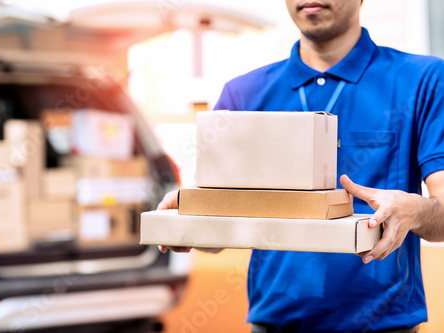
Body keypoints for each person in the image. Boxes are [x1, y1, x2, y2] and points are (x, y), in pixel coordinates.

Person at [157, 0, 444, 332]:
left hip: (384, 326)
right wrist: (189, 221)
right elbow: (219, 229)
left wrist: (416, 210)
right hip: (274, 324)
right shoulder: (243, 94)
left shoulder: (423, 80)